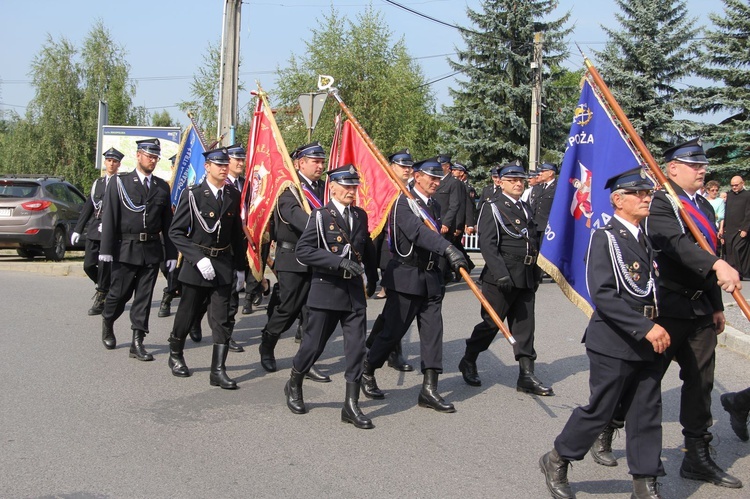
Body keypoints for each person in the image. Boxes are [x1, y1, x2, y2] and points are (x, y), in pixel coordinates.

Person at [594, 138, 744, 488]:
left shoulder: (704, 206)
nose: (702, 170)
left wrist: (717, 306)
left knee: (700, 381)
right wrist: (718, 264)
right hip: (666, 308)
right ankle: (607, 427)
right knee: (643, 379)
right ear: (672, 168)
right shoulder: (659, 203)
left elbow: (707, 249)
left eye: (703, 165)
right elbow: (676, 246)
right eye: (694, 165)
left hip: (700, 308)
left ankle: (696, 455)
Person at [539, 168, 670, 499]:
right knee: (602, 409)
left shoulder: (646, 237)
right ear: (618, 199)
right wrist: (645, 327)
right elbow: (605, 296)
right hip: (615, 340)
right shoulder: (606, 237)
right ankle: (558, 458)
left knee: (646, 412)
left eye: (647, 193)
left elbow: (652, 288)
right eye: (638, 194)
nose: (646, 198)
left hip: (648, 340)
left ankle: (645, 482)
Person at [361, 157, 468, 413]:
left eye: (438, 178)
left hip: (431, 279)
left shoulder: (434, 205)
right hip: (407, 277)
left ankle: (429, 389)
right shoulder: (403, 204)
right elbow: (418, 233)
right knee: (392, 332)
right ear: (417, 176)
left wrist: (444, 262)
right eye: (431, 177)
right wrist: (448, 249)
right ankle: (367, 369)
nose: (435, 182)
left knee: (432, 335)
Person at [284, 164, 379, 428]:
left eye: (353, 186)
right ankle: (294, 381)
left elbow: (367, 247)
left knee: (357, 348)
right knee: (313, 346)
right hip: (326, 290)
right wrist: (337, 262)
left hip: (353, 293)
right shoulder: (320, 216)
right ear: (333, 187)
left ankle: (351, 405)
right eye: (346, 186)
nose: (351, 191)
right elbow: (304, 251)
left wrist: (373, 276)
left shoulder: (359, 215)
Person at [458, 163, 553, 395]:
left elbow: (532, 241)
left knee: (525, 327)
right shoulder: (493, 207)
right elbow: (488, 244)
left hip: (526, 275)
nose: (518, 184)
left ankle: (526, 375)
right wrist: (500, 273)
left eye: (521, 180)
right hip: (501, 277)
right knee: (491, 324)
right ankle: (469, 358)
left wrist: (537, 271)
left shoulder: (525, 207)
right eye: (512, 180)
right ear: (500, 182)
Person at [166, 147, 247, 388]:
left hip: (222, 264)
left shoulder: (232, 194)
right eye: (218, 164)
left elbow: (235, 235)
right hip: (197, 263)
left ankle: (218, 371)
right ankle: (176, 353)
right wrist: (198, 259)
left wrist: (241, 267)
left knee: (221, 318)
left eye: (225, 164)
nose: (223, 168)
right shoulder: (193, 194)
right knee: (187, 313)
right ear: (208, 167)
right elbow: (176, 232)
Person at [99, 138, 177, 358]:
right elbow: (110, 216)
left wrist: (170, 253)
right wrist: (105, 250)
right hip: (125, 248)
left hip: (151, 250)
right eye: (149, 155)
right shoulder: (120, 182)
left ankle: (137, 341)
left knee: (143, 297)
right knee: (119, 294)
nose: (152, 160)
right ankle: (108, 318)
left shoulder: (161, 186)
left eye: (155, 157)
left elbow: (167, 223)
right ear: (138, 155)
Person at [258, 142, 328, 382]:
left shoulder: (323, 189)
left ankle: (305, 362)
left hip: (317, 259)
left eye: (321, 161)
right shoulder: (289, 190)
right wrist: (328, 227)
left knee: (314, 313)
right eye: (314, 161)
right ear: (300, 163)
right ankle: (268, 342)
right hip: (293, 258)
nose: (320, 165)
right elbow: (299, 219)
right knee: (288, 309)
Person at [367, 148, 416, 372]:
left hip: (411, 256)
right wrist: (370, 264)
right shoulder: (384, 189)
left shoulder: (413, 189)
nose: (406, 169)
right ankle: (393, 352)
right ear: (391, 166)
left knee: (393, 309)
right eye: (402, 165)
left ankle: (375, 340)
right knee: (398, 309)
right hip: (390, 254)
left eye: (409, 166)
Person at [71, 147, 122, 315]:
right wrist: (78, 229)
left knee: (106, 265)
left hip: (110, 231)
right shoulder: (98, 183)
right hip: (94, 229)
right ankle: (104, 286)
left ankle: (101, 296)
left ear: (119, 164)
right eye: (109, 161)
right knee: (89, 265)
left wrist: (110, 225)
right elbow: (88, 207)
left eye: (114, 161)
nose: (111, 164)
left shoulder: (121, 183)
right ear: (105, 162)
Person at [432, 154, 463, 282]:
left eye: (441, 165)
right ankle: (443, 276)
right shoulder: (435, 181)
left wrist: (446, 223)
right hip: (433, 222)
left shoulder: (453, 183)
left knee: (442, 255)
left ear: (447, 166)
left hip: (445, 225)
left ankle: (441, 279)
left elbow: (454, 205)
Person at [722, 175, 750, 278]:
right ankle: (733, 273)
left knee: (737, 249)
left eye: (736, 185)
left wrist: (745, 229)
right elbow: (725, 213)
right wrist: (723, 229)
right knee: (729, 251)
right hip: (729, 229)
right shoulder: (729, 195)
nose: (734, 187)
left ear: (742, 183)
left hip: (741, 229)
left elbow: (749, 213)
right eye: (732, 185)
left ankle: (742, 272)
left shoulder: (748, 195)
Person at [528, 162, 558, 236]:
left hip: (548, 228)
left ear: (550, 173)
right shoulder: (539, 187)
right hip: (536, 226)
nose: (540, 174)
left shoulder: (557, 187)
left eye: (543, 171)